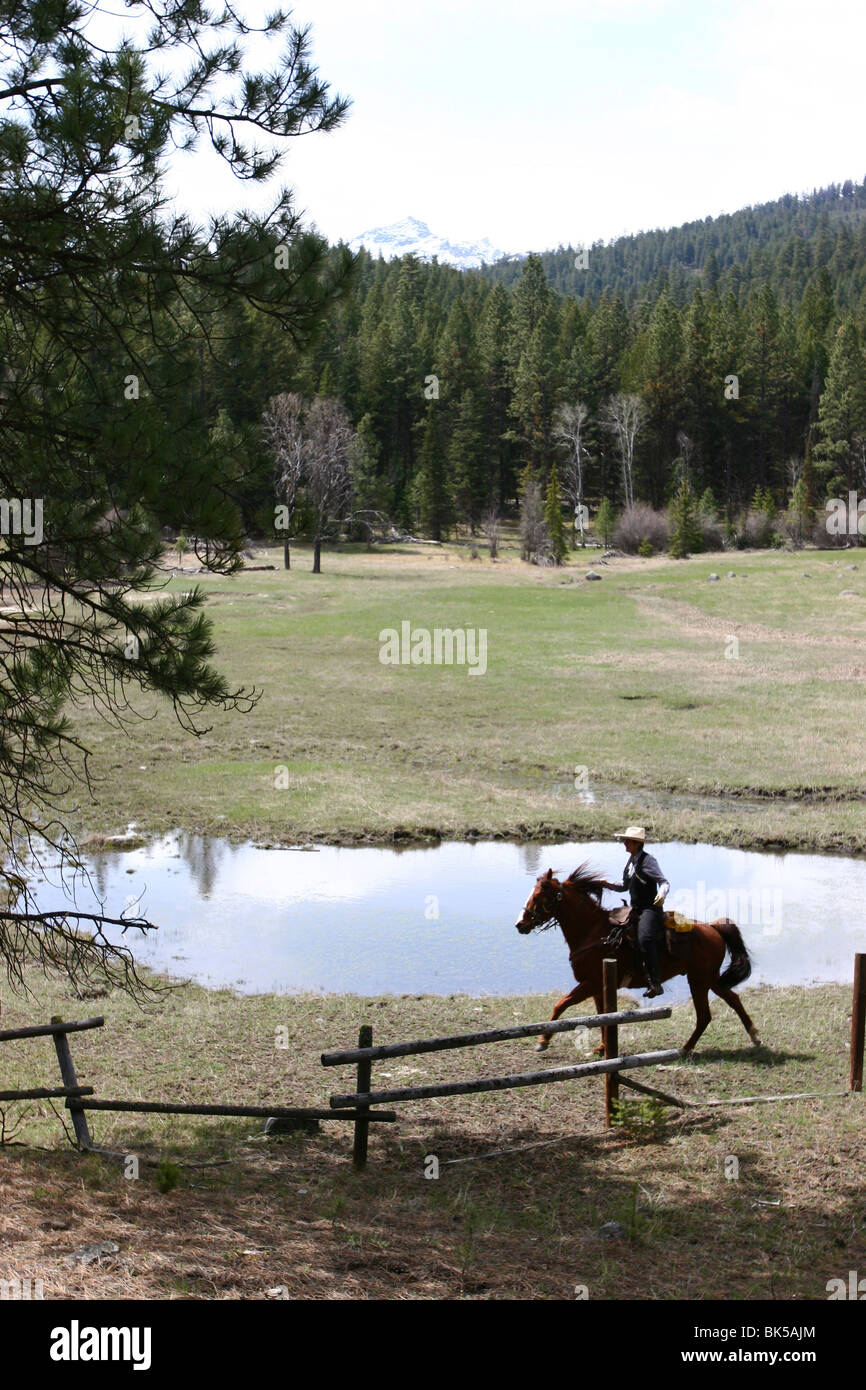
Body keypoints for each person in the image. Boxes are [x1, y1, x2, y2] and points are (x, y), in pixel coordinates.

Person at [599, 826, 670, 998]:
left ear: (636, 843)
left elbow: (664, 882)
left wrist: (662, 894)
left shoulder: (648, 861)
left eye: (627, 840)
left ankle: (655, 982)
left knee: (645, 938)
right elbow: (625, 886)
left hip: (650, 909)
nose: (624, 843)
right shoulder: (631, 861)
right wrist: (606, 883)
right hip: (635, 908)